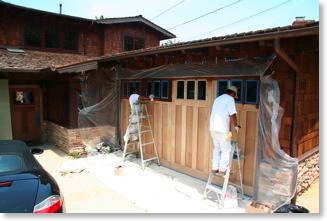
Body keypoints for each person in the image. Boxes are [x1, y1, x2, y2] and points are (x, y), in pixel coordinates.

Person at [209, 85, 241, 175]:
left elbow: (223, 115)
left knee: (217, 148)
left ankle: (214, 168)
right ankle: (223, 169)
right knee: (226, 149)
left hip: (213, 128)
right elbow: (232, 114)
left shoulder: (218, 99)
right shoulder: (230, 99)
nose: (234, 98)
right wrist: (236, 126)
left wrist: (230, 129)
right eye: (235, 96)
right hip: (222, 129)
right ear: (233, 93)